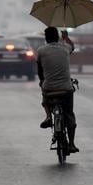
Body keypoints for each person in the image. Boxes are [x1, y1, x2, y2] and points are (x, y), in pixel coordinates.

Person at [37, 26, 79, 154]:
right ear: (57, 37)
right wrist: (66, 38)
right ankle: (71, 144)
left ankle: (49, 116)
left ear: (46, 38)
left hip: (49, 89)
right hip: (66, 89)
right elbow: (73, 47)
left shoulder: (41, 51)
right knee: (69, 114)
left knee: (45, 99)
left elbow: (40, 70)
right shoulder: (65, 48)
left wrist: (42, 81)